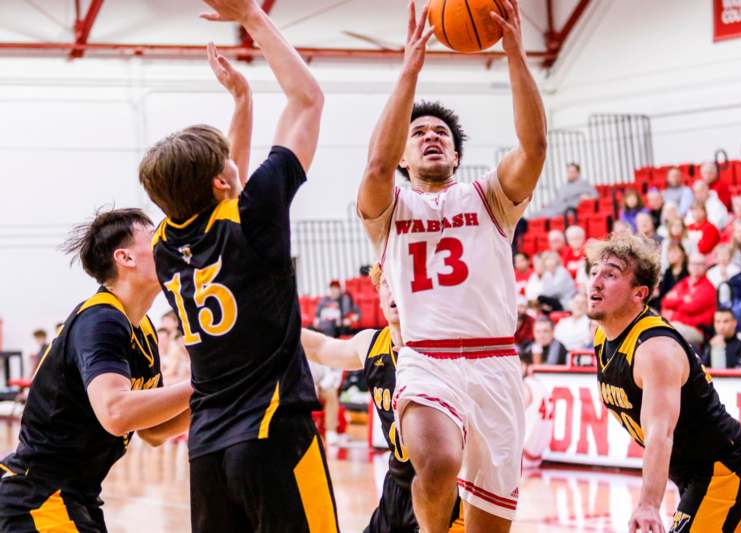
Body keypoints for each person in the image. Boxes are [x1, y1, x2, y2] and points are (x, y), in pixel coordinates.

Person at [140, 1, 337, 530]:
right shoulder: (255, 219)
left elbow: (226, 186)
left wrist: (243, 100)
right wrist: (252, 16)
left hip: (207, 448)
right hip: (274, 434)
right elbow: (309, 100)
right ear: (223, 184)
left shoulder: (164, 245)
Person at [356, 1, 547, 529]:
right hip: (427, 360)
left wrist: (514, 53)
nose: (431, 136)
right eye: (419, 134)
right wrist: (409, 71)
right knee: (437, 464)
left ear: (458, 156)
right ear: (404, 157)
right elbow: (374, 164)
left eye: (441, 132)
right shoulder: (389, 209)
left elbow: (533, 146)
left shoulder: (490, 199)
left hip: (496, 365)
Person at [0, 209, 191, 532]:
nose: (165, 243)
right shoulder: (101, 319)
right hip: (39, 498)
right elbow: (116, 413)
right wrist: (205, 383)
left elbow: (152, 431)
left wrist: (219, 395)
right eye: (154, 237)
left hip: (77, 495)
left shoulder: (141, 328)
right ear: (125, 257)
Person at [586, 233, 741, 533]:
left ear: (639, 294)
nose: (596, 282)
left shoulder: (655, 350)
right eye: (594, 272)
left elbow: (660, 433)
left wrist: (648, 504)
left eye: (611, 274)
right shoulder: (603, 335)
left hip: (722, 469)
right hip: (692, 471)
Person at [301, 266, 465, 533]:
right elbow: (321, 347)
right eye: (387, 283)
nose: (394, 291)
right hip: (396, 488)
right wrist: (277, 325)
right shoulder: (371, 344)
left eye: (401, 282)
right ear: (378, 294)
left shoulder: (440, 346)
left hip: (440, 490)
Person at [659, 253, 716, 346]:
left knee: (666, 332)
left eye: (700, 264)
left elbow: (691, 307)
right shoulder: (684, 283)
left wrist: (673, 313)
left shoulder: (708, 287)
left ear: (705, 267)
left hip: (696, 330)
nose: (696, 267)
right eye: (693, 264)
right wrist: (683, 299)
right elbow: (665, 301)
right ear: (689, 266)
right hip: (677, 324)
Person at [531, 162, 597, 218]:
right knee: (532, 215)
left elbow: (595, 195)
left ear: (578, 173)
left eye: (572, 172)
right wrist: (548, 205)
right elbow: (557, 199)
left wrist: (588, 197)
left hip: (567, 210)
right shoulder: (564, 186)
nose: (570, 174)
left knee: (539, 216)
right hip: (555, 208)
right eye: (569, 172)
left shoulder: (583, 184)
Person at [651, 241, 688, 311]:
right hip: (664, 305)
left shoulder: (687, 272)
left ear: (682, 254)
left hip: (679, 306)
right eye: (669, 252)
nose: (670, 255)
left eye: (674, 252)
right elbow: (662, 293)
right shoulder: (668, 272)